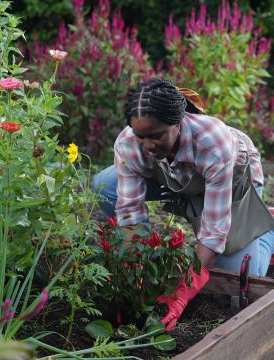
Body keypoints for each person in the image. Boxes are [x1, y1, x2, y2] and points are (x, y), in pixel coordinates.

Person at [93, 77, 274, 329]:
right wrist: (133, 274)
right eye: (140, 136)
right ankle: (190, 201)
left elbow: (212, 236)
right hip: (176, 176)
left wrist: (180, 296)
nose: (147, 145)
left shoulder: (213, 141)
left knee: (240, 273)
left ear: (177, 123)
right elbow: (130, 214)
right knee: (106, 185)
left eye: (155, 136)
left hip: (233, 180)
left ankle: (267, 227)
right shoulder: (130, 143)